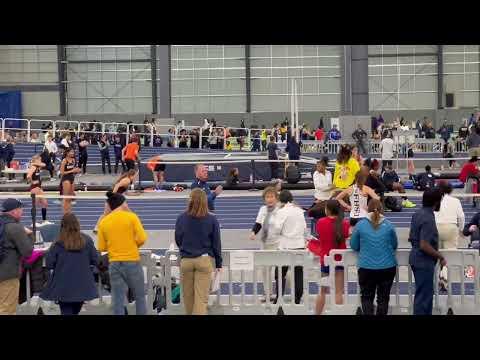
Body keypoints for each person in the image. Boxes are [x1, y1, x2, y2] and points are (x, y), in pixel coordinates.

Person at [97, 192, 148, 315]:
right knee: (140, 296)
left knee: (118, 299)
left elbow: (102, 247)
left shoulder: (104, 222)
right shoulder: (131, 217)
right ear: (122, 203)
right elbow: (142, 238)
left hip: (114, 263)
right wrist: (132, 246)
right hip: (132, 261)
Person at [174, 189, 222, 315]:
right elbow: (216, 243)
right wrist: (218, 263)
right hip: (203, 260)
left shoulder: (181, 218)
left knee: (188, 300)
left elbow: (178, 239)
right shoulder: (212, 219)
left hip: (186, 261)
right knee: (200, 301)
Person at [40, 213, 98, 315]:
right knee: (75, 310)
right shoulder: (87, 240)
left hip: (63, 285)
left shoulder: (58, 242)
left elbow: (49, 263)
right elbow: (95, 259)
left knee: (66, 311)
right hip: (82, 284)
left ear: (62, 225)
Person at [350, 199, 398, 315]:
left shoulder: (360, 225)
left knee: (366, 297)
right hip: (387, 266)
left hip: (366, 267)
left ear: (368, 209)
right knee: (383, 298)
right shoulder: (389, 225)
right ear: (381, 209)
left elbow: (354, 245)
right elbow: (395, 245)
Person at [408, 189, 446, 315]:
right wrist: (440, 256)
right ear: (436, 202)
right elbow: (424, 245)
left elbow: (412, 237)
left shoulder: (417, 214)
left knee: (422, 294)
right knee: (424, 297)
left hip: (415, 258)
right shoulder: (428, 218)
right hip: (423, 260)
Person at [313, 199, 348, 315]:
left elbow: (320, 236)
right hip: (339, 261)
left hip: (325, 260)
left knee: (322, 291)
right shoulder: (344, 224)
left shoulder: (321, 222)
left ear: (327, 210)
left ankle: (317, 313)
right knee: (338, 292)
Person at [271, 190, 307, 304]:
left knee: (280, 273)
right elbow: (304, 228)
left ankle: (279, 297)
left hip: (286, 246)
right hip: (299, 245)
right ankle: (297, 298)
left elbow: (276, 229)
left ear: (280, 200)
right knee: (298, 273)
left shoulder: (282, 211)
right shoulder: (299, 210)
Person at [0, 199, 34, 315]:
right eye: (21, 209)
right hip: (8, 274)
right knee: (7, 309)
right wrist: (29, 235)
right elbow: (28, 252)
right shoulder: (15, 227)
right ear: (14, 211)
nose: (22, 212)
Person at [435, 181, 464, 250]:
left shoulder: (434, 200)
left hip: (435, 227)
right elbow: (461, 217)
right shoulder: (456, 201)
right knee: (451, 253)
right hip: (451, 228)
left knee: (435, 252)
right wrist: (461, 229)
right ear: (450, 190)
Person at [27, 155, 52, 227]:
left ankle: (44, 220)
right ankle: (33, 222)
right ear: (36, 160)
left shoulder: (37, 166)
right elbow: (28, 176)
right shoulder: (33, 167)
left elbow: (44, 164)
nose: (41, 161)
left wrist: (34, 163)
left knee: (45, 203)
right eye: (40, 160)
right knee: (35, 205)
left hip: (39, 187)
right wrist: (32, 182)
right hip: (35, 188)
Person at [60, 148, 81, 214]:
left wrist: (77, 171)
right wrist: (72, 171)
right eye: (71, 152)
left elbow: (73, 170)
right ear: (67, 153)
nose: (73, 153)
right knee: (66, 197)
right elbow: (62, 172)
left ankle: (68, 212)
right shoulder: (64, 160)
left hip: (72, 178)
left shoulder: (73, 160)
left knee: (71, 196)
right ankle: (65, 213)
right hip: (66, 179)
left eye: (73, 152)